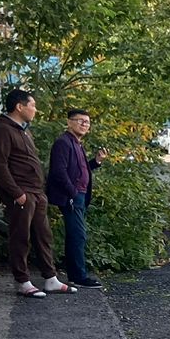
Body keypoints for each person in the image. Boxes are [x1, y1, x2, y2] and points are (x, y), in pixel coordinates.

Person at [0, 89, 73, 298]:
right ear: (20, 106)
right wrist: (17, 192)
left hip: (36, 192)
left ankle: (50, 278)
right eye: (33, 105)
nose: (35, 109)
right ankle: (22, 281)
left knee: (43, 235)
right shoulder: (3, 130)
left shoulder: (24, 130)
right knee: (20, 237)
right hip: (21, 194)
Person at [47, 108, 107, 288]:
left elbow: (79, 170)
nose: (84, 124)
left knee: (76, 235)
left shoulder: (77, 143)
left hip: (79, 195)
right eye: (79, 120)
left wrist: (95, 162)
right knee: (77, 235)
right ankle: (78, 276)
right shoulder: (63, 143)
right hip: (71, 197)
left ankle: (76, 274)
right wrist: (72, 192)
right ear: (69, 122)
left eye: (87, 122)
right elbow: (59, 171)